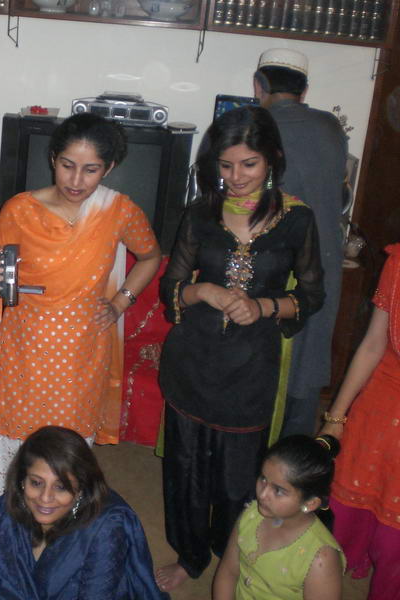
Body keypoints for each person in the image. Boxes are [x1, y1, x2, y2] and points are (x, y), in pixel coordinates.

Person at [0, 112, 162, 560]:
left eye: (90, 169)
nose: (76, 180)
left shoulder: (118, 210)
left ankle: (59, 548)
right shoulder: (21, 209)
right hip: (23, 350)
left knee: (65, 458)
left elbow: (150, 255)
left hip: (81, 354)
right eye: (67, 165)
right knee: (12, 453)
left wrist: (120, 302)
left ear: (109, 168)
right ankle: (5, 544)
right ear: (52, 159)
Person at [156, 105, 325, 591]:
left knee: (239, 478)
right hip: (193, 360)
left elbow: (312, 296)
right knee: (185, 469)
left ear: (272, 159)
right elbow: (171, 288)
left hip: (251, 367)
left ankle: (235, 551)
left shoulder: (296, 219)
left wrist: (265, 306)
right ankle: (190, 556)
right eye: (225, 165)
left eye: (248, 164)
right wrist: (203, 291)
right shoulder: (200, 213)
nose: (236, 177)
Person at [254, 48, 349, 437]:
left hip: (271, 265)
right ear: (304, 90)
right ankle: (295, 463)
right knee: (305, 370)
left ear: (258, 85)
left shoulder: (251, 125)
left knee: (260, 368)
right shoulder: (331, 128)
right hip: (324, 263)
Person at [0, 425, 165, 599]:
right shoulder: (4, 513)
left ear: (80, 489)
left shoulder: (105, 529)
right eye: (36, 483)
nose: (45, 498)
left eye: (61, 487)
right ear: (22, 480)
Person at [320, 243, 400, 599]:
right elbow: (372, 345)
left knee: (392, 545)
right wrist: (336, 418)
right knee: (342, 516)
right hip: (384, 396)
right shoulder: (398, 263)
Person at [213, 435, 345, 599]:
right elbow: (228, 572)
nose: (262, 494)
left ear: (310, 503)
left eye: (279, 491)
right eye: (263, 479)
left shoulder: (321, 559)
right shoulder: (251, 515)